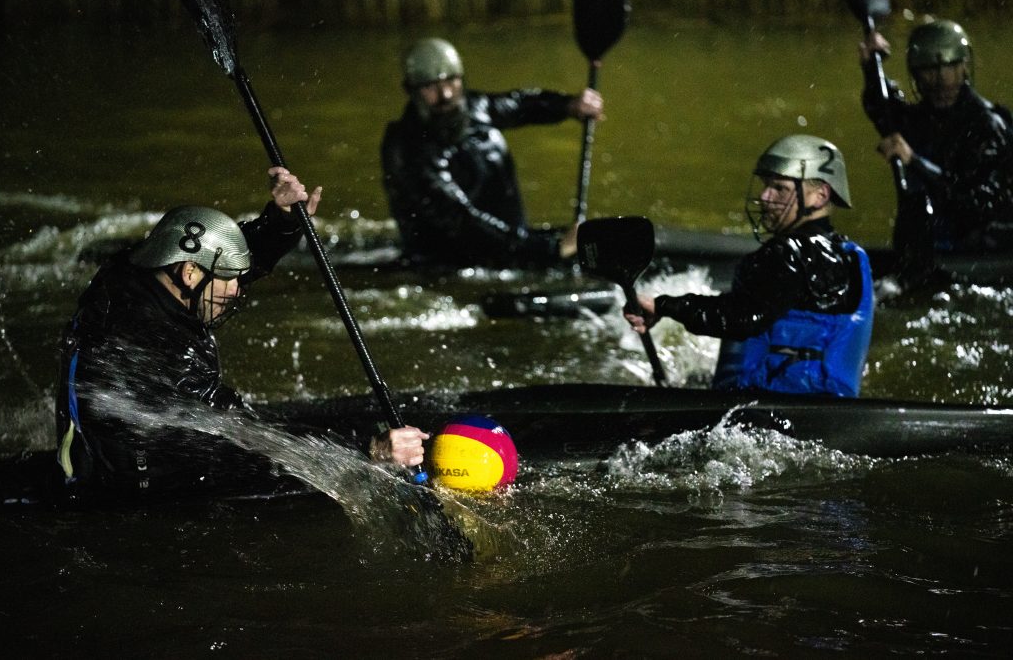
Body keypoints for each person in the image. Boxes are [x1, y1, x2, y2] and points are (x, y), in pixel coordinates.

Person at [54, 167, 428, 503]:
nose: (237, 289)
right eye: (230, 280)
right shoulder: (158, 350)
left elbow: (216, 256)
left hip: (105, 441)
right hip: (130, 485)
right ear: (189, 274)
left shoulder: (133, 269)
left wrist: (279, 221)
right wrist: (367, 451)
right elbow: (248, 435)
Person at [624, 135, 874, 397]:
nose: (765, 196)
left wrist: (665, 306)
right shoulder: (852, 256)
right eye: (766, 185)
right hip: (829, 403)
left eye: (779, 188)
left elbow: (743, 318)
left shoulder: (785, 252)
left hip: (771, 407)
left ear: (820, 195)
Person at [381, 37, 604, 267]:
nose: (446, 94)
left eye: (452, 80)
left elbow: (521, 104)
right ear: (411, 90)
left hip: (507, 244)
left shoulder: (476, 108)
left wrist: (569, 105)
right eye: (431, 87)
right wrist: (551, 249)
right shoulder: (406, 149)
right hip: (451, 261)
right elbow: (460, 221)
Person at [859, 19, 1013, 282]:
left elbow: (976, 207)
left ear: (965, 66)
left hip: (984, 247)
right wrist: (873, 69)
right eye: (929, 70)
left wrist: (915, 162)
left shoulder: (988, 126)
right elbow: (884, 111)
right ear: (916, 74)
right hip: (929, 247)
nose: (941, 80)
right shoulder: (919, 120)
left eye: (950, 66)